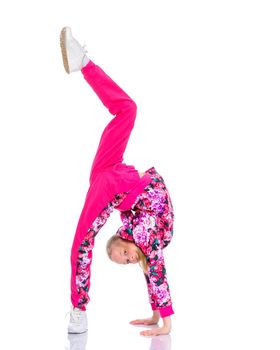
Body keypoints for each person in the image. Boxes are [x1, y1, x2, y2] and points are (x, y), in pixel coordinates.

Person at [60, 27, 175, 337]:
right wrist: (162, 320)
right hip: (113, 169)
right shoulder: (149, 238)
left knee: (81, 245)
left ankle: (78, 311)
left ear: (120, 239)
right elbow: (156, 273)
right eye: (126, 257)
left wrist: (157, 315)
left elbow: (151, 270)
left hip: (109, 188)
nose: (127, 258)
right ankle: (83, 62)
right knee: (128, 109)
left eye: (121, 258)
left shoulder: (136, 231)